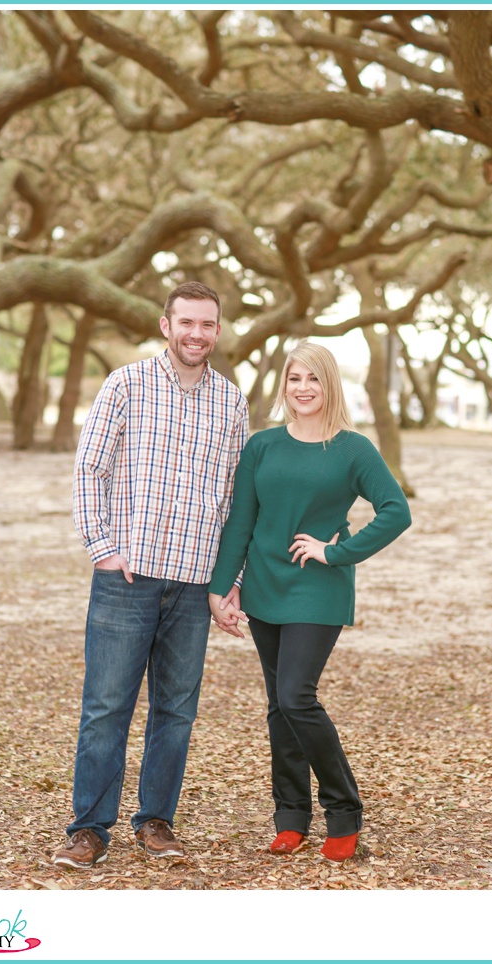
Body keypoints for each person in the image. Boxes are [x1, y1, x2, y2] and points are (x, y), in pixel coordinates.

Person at [53, 281, 250, 869]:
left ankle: (156, 822)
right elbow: (90, 469)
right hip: (127, 579)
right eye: (186, 322)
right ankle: (88, 830)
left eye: (207, 324)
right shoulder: (127, 384)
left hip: (194, 584)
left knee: (177, 711)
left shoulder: (232, 402)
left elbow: (238, 500)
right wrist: (103, 548)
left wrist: (228, 579)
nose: (196, 333)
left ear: (218, 329)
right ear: (166, 324)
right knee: (107, 706)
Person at [207, 341, 411, 862]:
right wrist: (221, 585)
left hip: (317, 587)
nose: (303, 388)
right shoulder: (263, 446)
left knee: (297, 695)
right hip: (264, 588)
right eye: (294, 378)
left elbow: (395, 511)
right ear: (285, 385)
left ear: (329, 385)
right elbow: (242, 520)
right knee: (280, 706)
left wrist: (337, 551)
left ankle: (344, 811)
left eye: (313, 379)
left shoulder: (352, 449)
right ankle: (291, 816)